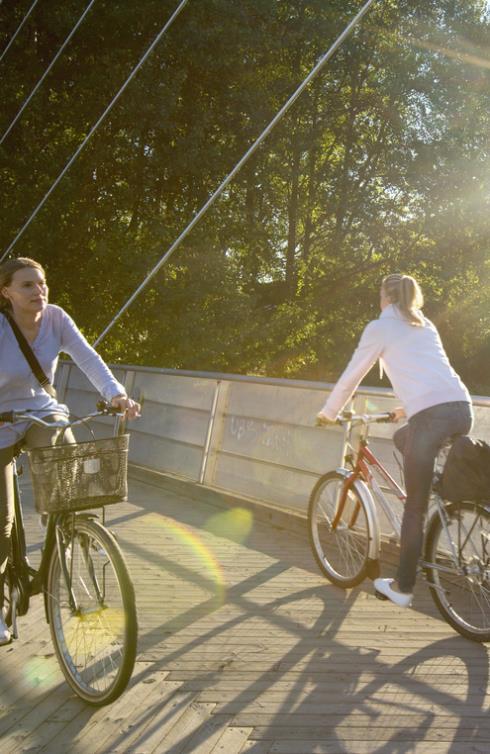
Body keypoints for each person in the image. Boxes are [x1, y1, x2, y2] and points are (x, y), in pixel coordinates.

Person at [0, 257, 140, 644]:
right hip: (0, 421)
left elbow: (88, 358)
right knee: (3, 522)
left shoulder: (57, 319)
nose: (38, 291)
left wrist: (117, 395)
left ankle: (66, 529)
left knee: (72, 487)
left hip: (42, 415)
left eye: (42, 283)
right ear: (6, 292)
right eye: (27, 285)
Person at [317, 273, 473, 608]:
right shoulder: (424, 323)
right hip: (461, 408)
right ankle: (437, 483)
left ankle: (402, 587)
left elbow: (352, 374)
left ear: (387, 295)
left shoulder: (380, 327)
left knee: (413, 508)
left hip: (432, 418)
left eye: (379, 292)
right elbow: (431, 372)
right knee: (404, 435)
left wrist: (330, 412)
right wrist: (407, 407)